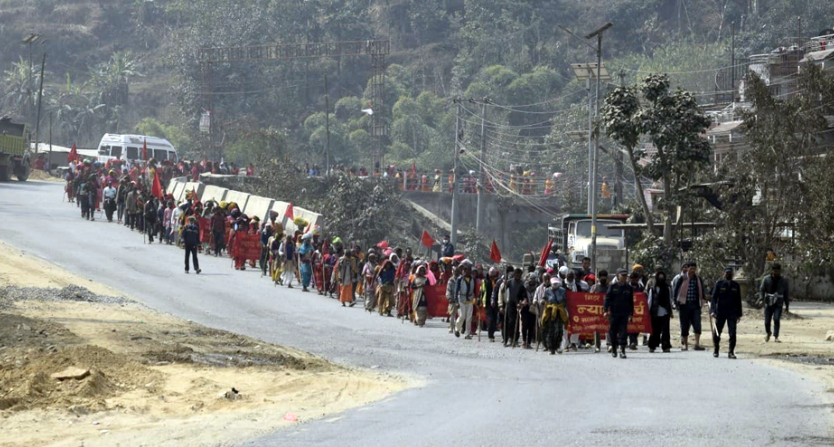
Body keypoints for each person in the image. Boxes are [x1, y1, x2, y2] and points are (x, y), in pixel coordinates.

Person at [673, 262, 707, 351]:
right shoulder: (682, 278)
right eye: (691, 268)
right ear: (687, 269)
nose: (692, 270)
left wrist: (704, 299)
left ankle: (697, 344)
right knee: (684, 324)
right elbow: (676, 291)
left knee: (697, 324)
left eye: (694, 268)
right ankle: (685, 344)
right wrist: (675, 303)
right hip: (684, 304)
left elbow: (702, 290)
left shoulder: (698, 279)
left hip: (695, 305)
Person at [711, 267, 743, 358]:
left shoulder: (736, 285)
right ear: (723, 274)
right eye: (727, 273)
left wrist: (739, 314)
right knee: (717, 332)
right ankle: (716, 349)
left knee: (732, 332)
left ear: (733, 275)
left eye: (730, 273)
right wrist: (712, 310)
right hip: (720, 311)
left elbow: (738, 300)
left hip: (732, 312)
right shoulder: (719, 284)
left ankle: (731, 352)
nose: (728, 274)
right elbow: (714, 298)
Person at [603, 269, 634, 359]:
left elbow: (631, 302)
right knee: (613, 332)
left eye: (625, 275)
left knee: (623, 332)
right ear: (618, 276)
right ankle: (614, 348)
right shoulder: (613, 287)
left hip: (624, 314)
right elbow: (607, 299)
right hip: (614, 313)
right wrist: (605, 311)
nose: (624, 277)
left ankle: (622, 350)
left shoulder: (629, 288)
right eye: (622, 275)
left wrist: (631, 314)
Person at [760, 263, 790, 343]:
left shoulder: (783, 281)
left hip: (778, 303)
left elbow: (786, 294)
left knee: (776, 319)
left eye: (778, 271)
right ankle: (768, 332)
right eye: (775, 271)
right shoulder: (766, 279)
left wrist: (787, 305)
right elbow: (762, 290)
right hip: (768, 302)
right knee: (767, 321)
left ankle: (776, 336)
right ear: (772, 271)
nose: (776, 273)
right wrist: (761, 299)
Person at [647, 269, 673, 353]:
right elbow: (650, 301)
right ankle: (652, 346)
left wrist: (670, 311)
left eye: (663, 277)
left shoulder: (667, 288)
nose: (661, 279)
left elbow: (669, 300)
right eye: (660, 277)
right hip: (655, 312)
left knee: (665, 330)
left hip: (665, 312)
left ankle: (665, 346)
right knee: (654, 330)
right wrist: (648, 312)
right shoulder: (652, 289)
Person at [542, 277, 568, 355]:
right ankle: (551, 348)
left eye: (556, 283)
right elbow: (544, 299)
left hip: (559, 312)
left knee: (559, 331)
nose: (555, 285)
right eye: (554, 284)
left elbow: (565, 300)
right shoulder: (547, 290)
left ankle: (557, 346)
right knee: (550, 331)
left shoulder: (563, 291)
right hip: (550, 312)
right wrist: (541, 301)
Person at [503, 268, 528, 348]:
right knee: (511, 321)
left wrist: (522, 302)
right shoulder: (510, 281)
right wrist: (504, 284)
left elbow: (524, 294)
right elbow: (503, 291)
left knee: (517, 322)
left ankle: (515, 339)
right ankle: (509, 338)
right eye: (516, 274)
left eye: (519, 274)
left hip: (519, 303)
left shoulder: (522, 283)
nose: (517, 276)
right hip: (510, 303)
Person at [589, 270, 610, 353]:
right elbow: (588, 298)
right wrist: (593, 291)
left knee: (608, 327)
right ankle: (597, 346)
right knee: (597, 328)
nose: (603, 279)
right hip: (596, 310)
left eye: (604, 277)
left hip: (607, 309)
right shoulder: (595, 287)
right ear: (599, 278)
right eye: (601, 277)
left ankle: (609, 344)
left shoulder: (609, 287)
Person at [454, 263, 477, 339]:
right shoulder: (460, 279)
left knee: (469, 317)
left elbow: (474, 290)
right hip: (462, 299)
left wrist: (476, 298)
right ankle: (457, 329)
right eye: (467, 270)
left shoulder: (472, 279)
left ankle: (467, 333)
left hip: (470, 299)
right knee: (462, 316)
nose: (469, 272)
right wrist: (456, 301)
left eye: (470, 270)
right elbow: (456, 290)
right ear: (464, 271)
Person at [481, 267, 500, 342]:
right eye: (491, 275)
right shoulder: (485, 281)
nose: (492, 276)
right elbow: (482, 291)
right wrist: (480, 299)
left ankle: (492, 332)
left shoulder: (497, 281)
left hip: (495, 303)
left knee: (495, 320)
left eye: (493, 275)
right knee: (490, 319)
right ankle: (490, 335)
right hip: (488, 303)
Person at [446, 266, 460, 332]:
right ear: (453, 271)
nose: (456, 272)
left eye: (457, 271)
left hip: (460, 299)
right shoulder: (450, 280)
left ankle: (459, 328)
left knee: (461, 315)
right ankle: (451, 327)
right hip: (452, 299)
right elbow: (448, 290)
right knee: (452, 315)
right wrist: (449, 297)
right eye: (455, 271)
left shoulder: (461, 279)